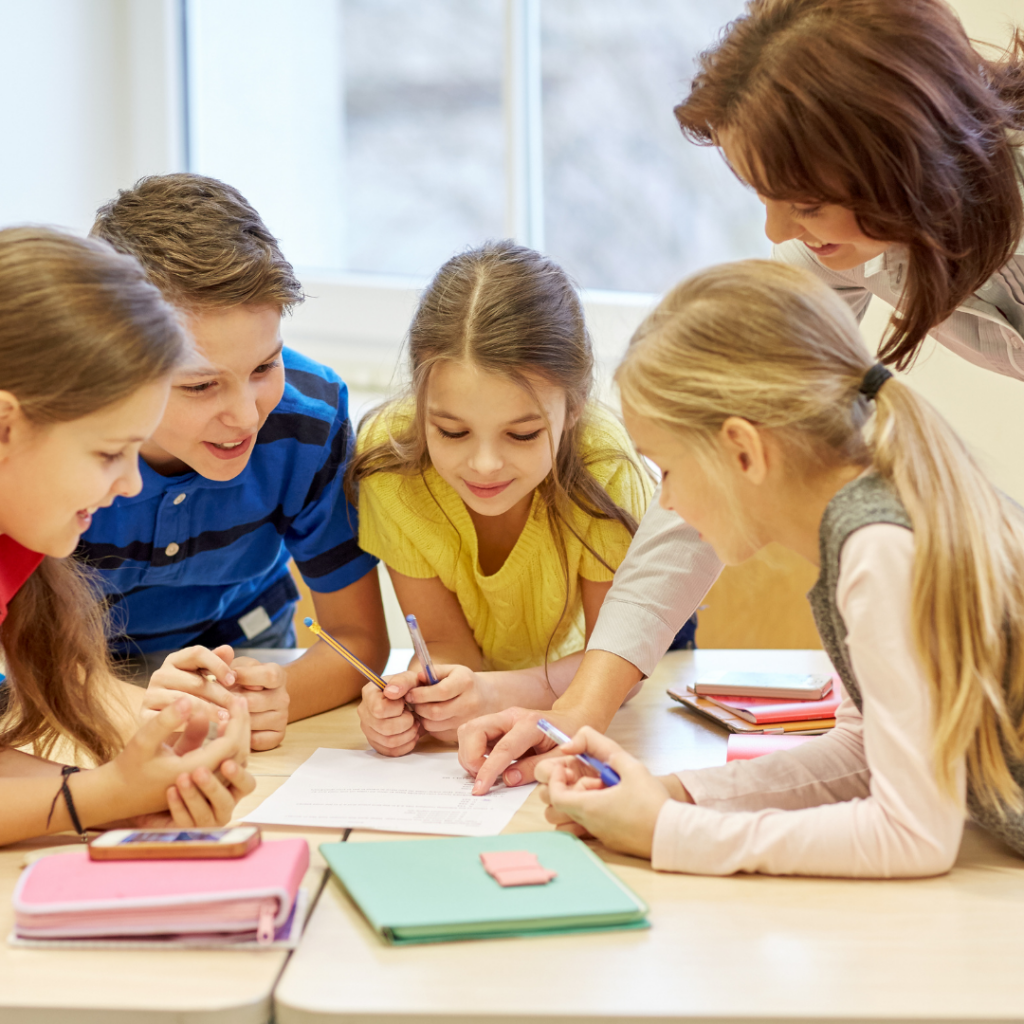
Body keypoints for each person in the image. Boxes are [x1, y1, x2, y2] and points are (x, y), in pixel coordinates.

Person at [459, 0, 1024, 793]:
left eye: (805, 204)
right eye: (764, 197)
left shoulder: (875, 554)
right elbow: (708, 444)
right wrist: (582, 707)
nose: (776, 232)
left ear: (901, 157)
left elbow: (906, 834)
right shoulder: (851, 240)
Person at [537, 259, 1024, 876]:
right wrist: (675, 796)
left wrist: (669, 833)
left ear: (743, 450)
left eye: (669, 471)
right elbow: (865, 753)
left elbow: (912, 836)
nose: (669, 503)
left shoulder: (880, 549)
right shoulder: (863, 526)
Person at [79, 174, 389, 750]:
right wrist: (147, 710)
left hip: (247, 648)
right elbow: (24, 664)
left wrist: (280, 697)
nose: (247, 417)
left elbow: (359, 640)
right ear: (111, 364)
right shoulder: (52, 444)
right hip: (69, 675)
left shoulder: (309, 420)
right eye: (200, 386)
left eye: (265, 367)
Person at [0, 227, 255, 847]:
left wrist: (128, 798)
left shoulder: (20, 541)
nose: (131, 484)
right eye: (110, 452)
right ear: (6, 426)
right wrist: (103, 796)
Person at [346, 240, 652, 755]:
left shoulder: (604, 466)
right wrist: (423, 696)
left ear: (574, 407)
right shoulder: (391, 462)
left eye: (523, 434)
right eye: (452, 432)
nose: (485, 465)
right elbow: (446, 645)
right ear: (421, 403)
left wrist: (494, 693)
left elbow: (618, 666)